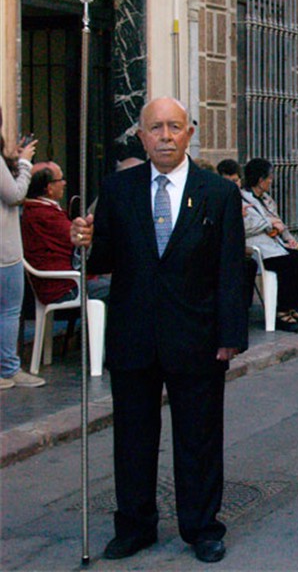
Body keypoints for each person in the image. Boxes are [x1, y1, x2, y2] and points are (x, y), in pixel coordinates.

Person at [70, 97, 247, 563]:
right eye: (155, 128)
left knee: (200, 438)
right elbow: (104, 258)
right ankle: (134, 526)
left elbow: (231, 270)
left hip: (198, 335)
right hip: (134, 335)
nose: (165, 136)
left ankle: (202, 526)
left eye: (173, 127)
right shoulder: (118, 189)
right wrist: (84, 242)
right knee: (132, 438)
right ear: (142, 137)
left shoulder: (217, 192)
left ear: (189, 132)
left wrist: (231, 335)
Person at [242, 158, 298, 332]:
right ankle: (281, 311)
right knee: (290, 264)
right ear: (260, 180)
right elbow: (246, 226)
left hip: (275, 245)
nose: (271, 181)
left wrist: (288, 238)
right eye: (269, 177)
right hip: (258, 250)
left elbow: (279, 223)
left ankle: (293, 305)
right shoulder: (242, 199)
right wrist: (268, 224)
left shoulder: (266, 199)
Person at [22, 162, 110, 308]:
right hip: (64, 287)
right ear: (49, 188)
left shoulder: (38, 210)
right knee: (125, 287)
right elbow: (77, 239)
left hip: (64, 282)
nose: (64, 183)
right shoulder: (44, 215)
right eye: (60, 179)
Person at [0, 109, 43, 390]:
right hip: (5, 250)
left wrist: (12, 160)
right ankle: (8, 369)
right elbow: (15, 195)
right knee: (9, 310)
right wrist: (25, 164)